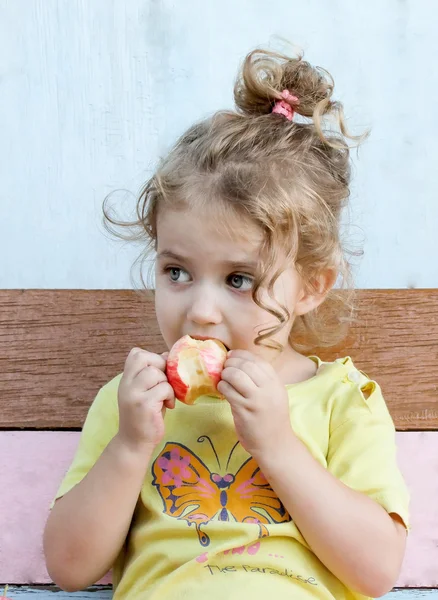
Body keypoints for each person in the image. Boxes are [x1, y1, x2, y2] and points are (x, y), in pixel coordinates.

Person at [43, 46, 409, 600]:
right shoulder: (131, 403)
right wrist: (128, 446)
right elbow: (69, 568)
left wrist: (280, 447)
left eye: (239, 279)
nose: (200, 311)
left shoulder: (341, 400)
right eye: (177, 272)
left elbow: (377, 571)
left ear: (311, 286)